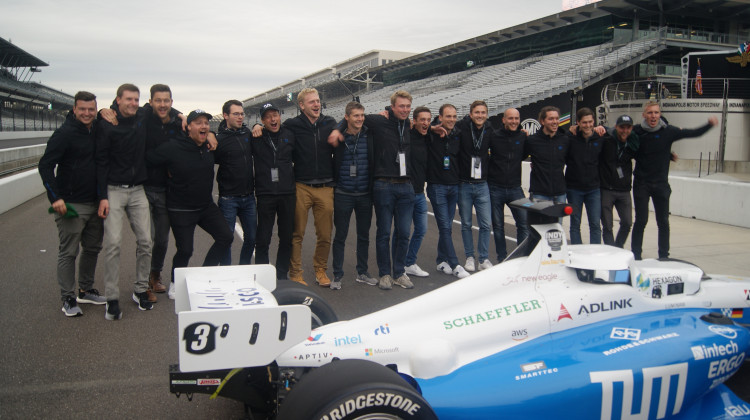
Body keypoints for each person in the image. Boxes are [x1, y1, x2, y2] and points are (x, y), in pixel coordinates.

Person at [329, 90, 415, 290]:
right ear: (392, 107)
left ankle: (381, 272)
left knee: (386, 234)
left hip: (381, 190)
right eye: (400, 106)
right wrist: (337, 129)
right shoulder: (369, 125)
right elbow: (350, 119)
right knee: (354, 234)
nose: (404, 110)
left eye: (407, 106)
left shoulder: (397, 127)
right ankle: (347, 275)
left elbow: (425, 125)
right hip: (359, 189)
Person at [254, 88, 336, 287]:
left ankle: (320, 270)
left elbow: (350, 125)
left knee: (325, 234)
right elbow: (271, 130)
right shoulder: (292, 126)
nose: (316, 104)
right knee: (295, 234)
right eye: (311, 102)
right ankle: (295, 273)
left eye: (317, 101)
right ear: (301, 105)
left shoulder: (330, 123)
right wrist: (257, 125)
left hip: (325, 185)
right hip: (300, 186)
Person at [147, 110, 234, 287]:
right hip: (181, 209)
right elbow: (148, 161)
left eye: (206, 123)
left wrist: (211, 135)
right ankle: (175, 284)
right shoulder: (173, 147)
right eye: (199, 122)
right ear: (188, 127)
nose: (204, 126)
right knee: (185, 250)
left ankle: (202, 275)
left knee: (225, 237)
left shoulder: (209, 147)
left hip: (205, 207)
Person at [39, 91, 105, 317]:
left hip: (95, 203)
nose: (87, 113)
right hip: (70, 205)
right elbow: (45, 165)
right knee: (68, 251)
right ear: (75, 109)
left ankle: (85, 290)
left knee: (93, 248)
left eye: (91, 109)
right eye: (83, 109)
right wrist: (55, 197)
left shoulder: (97, 129)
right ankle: (67, 297)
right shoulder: (64, 133)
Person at [630, 102, 717, 260]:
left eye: (656, 113)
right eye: (649, 113)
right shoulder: (636, 131)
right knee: (641, 220)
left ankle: (664, 256)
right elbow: (620, 135)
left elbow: (693, 133)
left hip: (661, 184)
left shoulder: (668, 131)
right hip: (642, 183)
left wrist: (709, 125)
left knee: (663, 222)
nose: (653, 116)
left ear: (660, 114)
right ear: (644, 115)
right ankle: (636, 256)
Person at [96, 83, 153, 320]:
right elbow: (100, 162)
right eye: (128, 99)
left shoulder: (142, 115)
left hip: (138, 189)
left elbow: (164, 108)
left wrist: (181, 115)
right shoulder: (106, 124)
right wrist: (101, 197)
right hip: (113, 190)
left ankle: (140, 290)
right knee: (114, 244)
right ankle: (111, 297)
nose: (133, 103)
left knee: (146, 241)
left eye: (136, 99)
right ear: (117, 101)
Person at [329, 102, 377, 289]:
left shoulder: (370, 133)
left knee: (363, 235)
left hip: (365, 193)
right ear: (346, 117)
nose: (360, 119)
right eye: (356, 115)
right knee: (340, 235)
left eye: (362, 115)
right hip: (343, 193)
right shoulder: (338, 136)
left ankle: (362, 272)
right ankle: (337, 275)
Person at [143, 84, 182, 300]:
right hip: (143, 187)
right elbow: (119, 106)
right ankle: (142, 283)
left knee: (162, 239)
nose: (162, 104)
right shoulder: (144, 118)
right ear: (150, 102)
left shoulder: (176, 123)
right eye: (158, 100)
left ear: (171, 103)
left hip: (166, 190)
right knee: (145, 238)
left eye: (166, 101)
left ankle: (155, 275)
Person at [252, 104, 296, 280]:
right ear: (262, 121)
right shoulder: (256, 137)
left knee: (286, 237)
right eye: (268, 116)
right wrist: (254, 127)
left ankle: (281, 273)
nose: (273, 119)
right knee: (263, 237)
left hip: (287, 193)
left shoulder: (290, 135)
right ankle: (262, 274)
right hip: (265, 194)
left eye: (275, 115)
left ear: (280, 116)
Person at [425, 104, 470, 279]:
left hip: (454, 186)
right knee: (444, 227)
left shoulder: (458, 134)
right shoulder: (431, 133)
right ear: (440, 117)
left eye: (454, 116)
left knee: (447, 227)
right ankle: (455, 264)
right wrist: (431, 128)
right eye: (448, 116)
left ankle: (441, 260)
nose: (451, 119)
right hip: (437, 187)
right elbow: (414, 127)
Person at [215, 99, 256, 267]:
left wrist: (257, 125)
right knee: (227, 239)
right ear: (225, 116)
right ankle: (226, 272)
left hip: (248, 197)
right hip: (228, 199)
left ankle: (244, 268)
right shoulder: (219, 139)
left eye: (242, 114)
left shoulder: (247, 134)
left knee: (252, 237)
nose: (240, 117)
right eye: (236, 114)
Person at [455, 100, 493, 272]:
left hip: (482, 185)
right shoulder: (461, 127)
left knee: (486, 224)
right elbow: (441, 124)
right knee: (466, 224)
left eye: (483, 112)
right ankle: (470, 257)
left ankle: (483, 258)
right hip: (464, 184)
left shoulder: (490, 130)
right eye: (477, 112)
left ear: (486, 114)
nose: (480, 115)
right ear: (470, 114)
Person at [488, 108, 529, 262]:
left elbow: (525, 154)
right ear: (503, 120)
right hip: (495, 188)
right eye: (510, 118)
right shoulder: (494, 136)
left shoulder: (523, 136)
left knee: (523, 225)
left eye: (516, 118)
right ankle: (502, 258)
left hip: (515, 188)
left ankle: (521, 257)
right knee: (498, 227)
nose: (514, 121)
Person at [565, 107, 604, 244]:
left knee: (595, 225)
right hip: (574, 189)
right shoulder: (570, 138)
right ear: (578, 123)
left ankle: (595, 256)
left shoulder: (600, 138)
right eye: (584, 122)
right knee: (575, 225)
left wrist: (604, 128)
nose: (588, 125)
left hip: (594, 189)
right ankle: (577, 255)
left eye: (590, 122)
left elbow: (615, 132)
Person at [599, 115, 638, 248]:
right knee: (608, 225)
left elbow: (650, 153)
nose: (625, 131)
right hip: (606, 189)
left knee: (627, 222)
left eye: (628, 128)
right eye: (622, 127)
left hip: (624, 190)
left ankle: (617, 248)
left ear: (631, 129)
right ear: (616, 127)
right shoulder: (606, 139)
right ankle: (611, 251)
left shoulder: (633, 143)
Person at [401, 106, 430, 278]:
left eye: (428, 120)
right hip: (406, 191)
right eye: (422, 120)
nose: (425, 123)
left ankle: (409, 262)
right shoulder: (407, 137)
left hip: (420, 193)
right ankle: (399, 265)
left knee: (421, 230)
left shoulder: (429, 137)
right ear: (414, 121)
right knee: (402, 232)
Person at [524, 106, 569, 205]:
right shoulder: (532, 140)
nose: (555, 121)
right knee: (539, 221)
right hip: (539, 193)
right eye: (551, 119)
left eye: (557, 118)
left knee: (557, 221)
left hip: (559, 193)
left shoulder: (565, 140)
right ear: (542, 121)